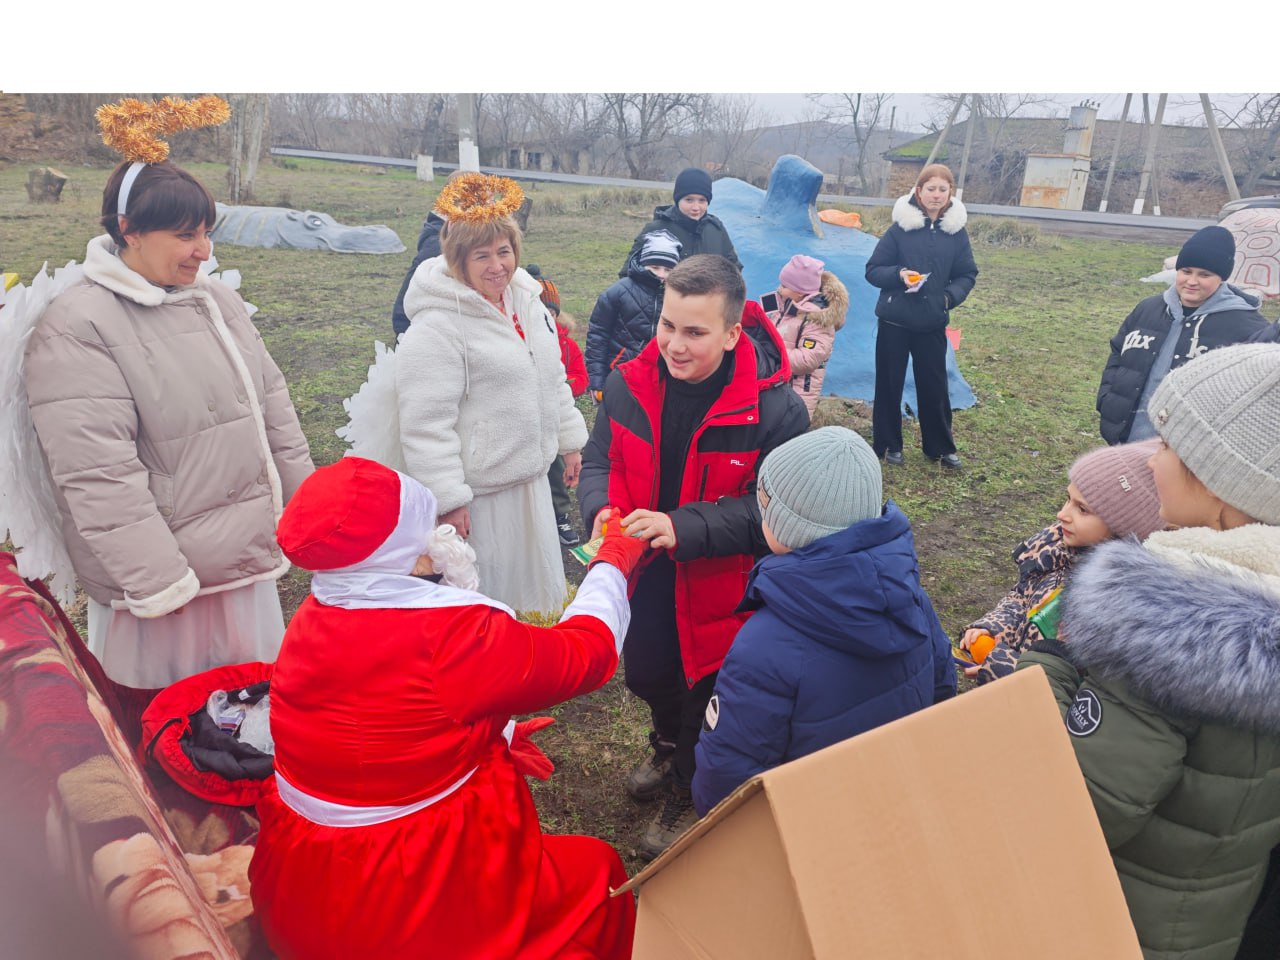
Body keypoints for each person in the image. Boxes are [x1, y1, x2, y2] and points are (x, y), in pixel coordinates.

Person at [250, 457, 644, 960]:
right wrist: (612, 561)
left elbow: (382, 732)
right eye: (425, 526)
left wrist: (486, 737)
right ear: (407, 552)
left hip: (302, 883)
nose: (441, 533)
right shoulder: (453, 638)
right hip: (404, 890)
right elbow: (584, 655)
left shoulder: (316, 614)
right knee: (596, 872)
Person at [1018, 343, 1280, 960]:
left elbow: (1077, 809)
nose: (1152, 459)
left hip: (1115, 922)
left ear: (1223, 491)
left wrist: (1051, 666)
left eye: (1168, 448)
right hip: (1207, 918)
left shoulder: (1171, 642)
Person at [22, 154, 313, 688]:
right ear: (128, 230)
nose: (203, 251)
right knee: (170, 728)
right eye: (184, 235)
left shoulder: (217, 301)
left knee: (252, 715)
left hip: (241, 562)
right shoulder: (79, 326)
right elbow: (97, 471)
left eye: (205, 232)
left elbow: (274, 413)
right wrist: (159, 580)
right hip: (166, 589)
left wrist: (311, 518)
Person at [579, 254, 809, 861]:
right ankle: (664, 742)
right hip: (647, 571)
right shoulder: (630, 383)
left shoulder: (777, 411)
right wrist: (601, 506)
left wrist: (683, 526)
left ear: (734, 333)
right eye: (667, 326)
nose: (674, 346)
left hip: (725, 585)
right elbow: (600, 457)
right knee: (648, 673)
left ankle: (686, 783)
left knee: (705, 693)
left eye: (695, 332)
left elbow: (777, 515)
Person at [691, 427, 955, 816]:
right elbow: (941, 687)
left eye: (766, 503)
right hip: (890, 801)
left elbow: (728, 771)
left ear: (791, 526)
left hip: (805, 823)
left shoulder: (764, 645)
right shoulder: (910, 596)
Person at [397, 173, 587, 615]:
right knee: (494, 590)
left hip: (532, 475)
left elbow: (552, 376)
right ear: (457, 260)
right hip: (484, 490)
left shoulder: (528, 301)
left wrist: (570, 441)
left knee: (535, 583)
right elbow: (425, 422)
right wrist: (448, 498)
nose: (497, 265)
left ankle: (535, 648)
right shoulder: (439, 325)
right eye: (482, 256)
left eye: (504, 251)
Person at [960, 440, 1164, 684]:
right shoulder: (1056, 552)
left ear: (1122, 526)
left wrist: (1004, 669)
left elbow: (1072, 681)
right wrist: (993, 628)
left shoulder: (1112, 603)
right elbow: (1021, 598)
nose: (1062, 514)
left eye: (1082, 509)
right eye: (1068, 499)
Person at [1097, 225, 1269, 445]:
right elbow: (1118, 352)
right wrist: (1108, 399)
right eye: (1186, 271)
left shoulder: (1246, 326)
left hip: (1186, 452)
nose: (1192, 281)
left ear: (1222, 278)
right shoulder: (1148, 309)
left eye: (1204, 274)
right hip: (1125, 440)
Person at [865, 163, 978, 469]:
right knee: (889, 384)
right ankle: (888, 446)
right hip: (894, 321)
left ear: (950, 193)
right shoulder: (900, 228)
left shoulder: (955, 233)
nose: (937, 195)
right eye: (931, 189)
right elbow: (873, 270)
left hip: (931, 321)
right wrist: (900, 275)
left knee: (935, 385)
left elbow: (967, 274)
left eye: (943, 189)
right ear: (918, 191)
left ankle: (939, 448)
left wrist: (947, 298)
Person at [586, 230, 681, 400]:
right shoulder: (618, 292)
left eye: (668, 269)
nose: (661, 274)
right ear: (642, 264)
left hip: (665, 376)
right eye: (654, 267)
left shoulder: (680, 296)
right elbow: (598, 335)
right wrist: (597, 380)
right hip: (622, 373)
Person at [765, 254, 849, 417]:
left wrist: (769, 354)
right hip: (775, 384)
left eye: (784, 286)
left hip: (798, 391)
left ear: (800, 292)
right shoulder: (780, 302)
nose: (780, 289)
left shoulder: (817, 319)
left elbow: (807, 359)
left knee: (790, 433)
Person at [537, 275, 588, 547]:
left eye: (551, 311)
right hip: (530, 418)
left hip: (559, 416)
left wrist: (569, 384)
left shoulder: (567, 346)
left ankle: (560, 515)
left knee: (557, 468)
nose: (546, 316)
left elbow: (580, 376)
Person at [619, 168, 740, 277]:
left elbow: (734, 271)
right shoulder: (656, 229)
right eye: (689, 200)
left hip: (709, 300)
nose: (696, 207)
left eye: (702, 201)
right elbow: (628, 273)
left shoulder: (717, 230)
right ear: (678, 200)